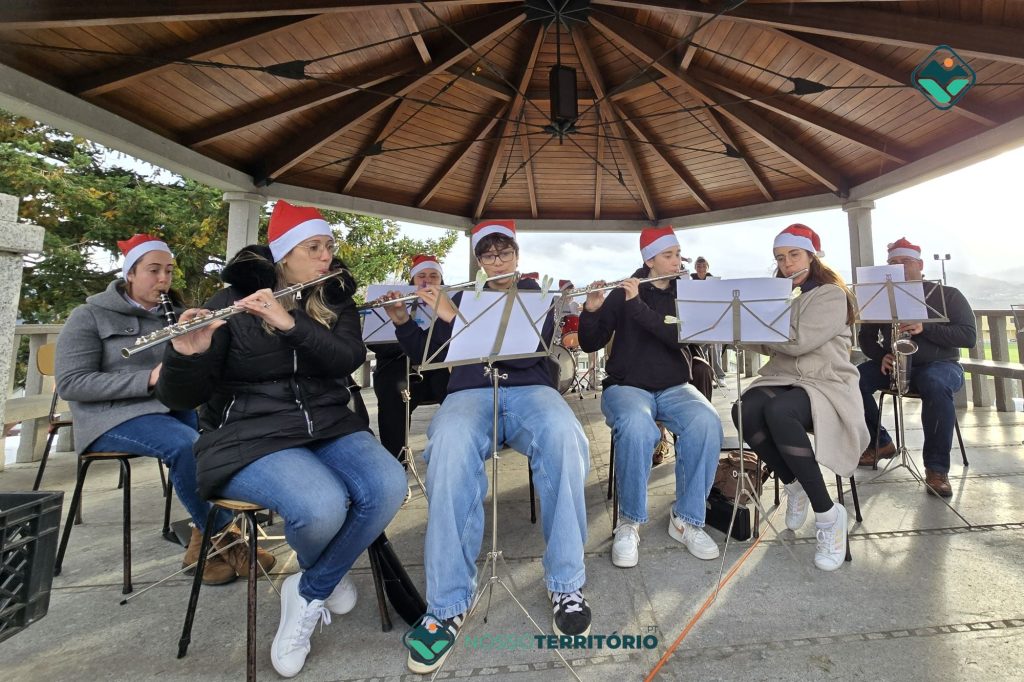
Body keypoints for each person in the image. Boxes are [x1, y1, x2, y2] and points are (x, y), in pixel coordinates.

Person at [155, 201, 406, 678]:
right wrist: (186, 355)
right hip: (249, 433)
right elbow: (181, 396)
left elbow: (346, 358)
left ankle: (309, 588)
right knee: (321, 506)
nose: (326, 256)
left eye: (328, 246)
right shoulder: (230, 301)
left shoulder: (333, 296)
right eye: (313, 247)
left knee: (388, 485)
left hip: (329, 424)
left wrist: (292, 323)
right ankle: (325, 576)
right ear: (284, 255)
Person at [384, 220, 591, 674]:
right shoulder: (459, 297)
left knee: (565, 436)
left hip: (530, 389)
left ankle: (567, 583)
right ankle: (448, 603)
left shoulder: (536, 294)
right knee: (448, 445)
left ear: (517, 254)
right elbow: (432, 353)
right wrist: (403, 321)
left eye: (504, 253)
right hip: (470, 391)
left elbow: (529, 348)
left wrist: (451, 315)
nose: (497, 262)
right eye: (488, 255)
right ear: (479, 260)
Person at [55, 234, 267, 587]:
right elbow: (72, 383)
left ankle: (201, 545)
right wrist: (147, 378)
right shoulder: (88, 316)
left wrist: (200, 344)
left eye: (168, 271)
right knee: (186, 446)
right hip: (109, 417)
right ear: (130, 273)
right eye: (153, 271)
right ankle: (228, 537)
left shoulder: (174, 315)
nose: (163, 279)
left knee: (221, 438)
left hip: (168, 409)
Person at [578, 226, 723, 569]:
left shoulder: (686, 294)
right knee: (636, 426)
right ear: (649, 261)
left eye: (678, 254)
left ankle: (686, 519)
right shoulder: (623, 293)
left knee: (706, 421)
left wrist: (637, 306)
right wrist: (591, 311)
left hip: (675, 386)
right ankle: (629, 522)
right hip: (626, 386)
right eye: (668, 255)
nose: (677, 261)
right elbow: (590, 343)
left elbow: (678, 337)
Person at [731, 224, 868, 571]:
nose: (787, 263)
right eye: (780, 258)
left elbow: (797, 342)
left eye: (794, 255)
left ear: (812, 256)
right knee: (745, 410)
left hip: (825, 381)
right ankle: (795, 485)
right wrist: (735, 331)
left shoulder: (831, 294)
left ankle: (828, 514)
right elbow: (771, 345)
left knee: (780, 411)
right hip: (784, 377)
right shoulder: (782, 295)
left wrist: (753, 325)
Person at [856, 237, 977, 497]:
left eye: (905, 261)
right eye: (892, 262)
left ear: (920, 265)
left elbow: (968, 337)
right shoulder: (881, 297)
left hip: (942, 365)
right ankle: (881, 442)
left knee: (935, 383)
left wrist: (926, 327)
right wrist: (881, 356)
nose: (898, 266)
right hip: (895, 365)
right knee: (851, 379)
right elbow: (865, 338)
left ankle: (936, 469)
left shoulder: (948, 295)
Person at [368, 254, 449, 471]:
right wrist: (409, 340)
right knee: (393, 398)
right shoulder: (394, 299)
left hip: (436, 368)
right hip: (397, 368)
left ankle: (451, 454)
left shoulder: (449, 303)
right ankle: (396, 463)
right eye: (421, 276)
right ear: (412, 280)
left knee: (457, 393)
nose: (427, 280)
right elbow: (374, 343)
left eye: (434, 276)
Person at [691, 256, 728, 384]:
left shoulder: (714, 282)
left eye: (703, 266)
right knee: (702, 350)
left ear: (707, 267)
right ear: (695, 268)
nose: (701, 268)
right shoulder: (690, 282)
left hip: (713, 318)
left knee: (715, 348)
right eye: (698, 266)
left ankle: (720, 376)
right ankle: (708, 376)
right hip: (697, 319)